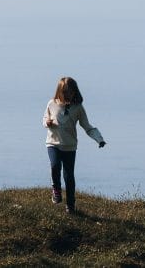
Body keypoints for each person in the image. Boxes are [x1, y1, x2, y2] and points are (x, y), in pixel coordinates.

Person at [42, 76, 106, 214]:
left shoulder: (78, 108)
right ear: (59, 91)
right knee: (55, 165)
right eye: (65, 92)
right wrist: (47, 122)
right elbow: (45, 118)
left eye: (70, 92)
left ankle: (70, 205)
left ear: (75, 92)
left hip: (69, 146)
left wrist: (99, 139)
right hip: (53, 143)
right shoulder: (51, 103)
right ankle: (56, 190)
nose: (68, 95)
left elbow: (87, 126)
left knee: (69, 175)